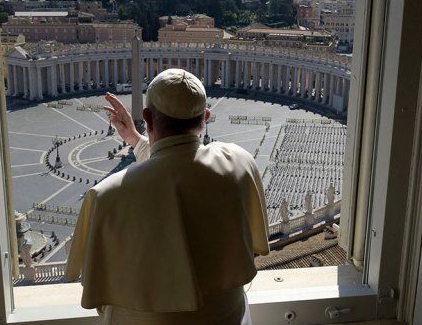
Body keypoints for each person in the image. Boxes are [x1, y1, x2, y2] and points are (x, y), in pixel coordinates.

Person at [65, 69, 269, 325]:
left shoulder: (106, 196)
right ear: (206, 116)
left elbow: (168, 167)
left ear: (147, 117)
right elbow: (182, 162)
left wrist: (139, 140)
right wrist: (136, 141)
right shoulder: (240, 162)